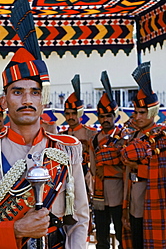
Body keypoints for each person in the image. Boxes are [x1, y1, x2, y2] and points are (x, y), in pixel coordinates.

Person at [0, 0, 89, 248]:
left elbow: (79, 221)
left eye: (35, 92)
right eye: (17, 92)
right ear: (4, 101)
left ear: (44, 100)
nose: (27, 100)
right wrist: (16, 229)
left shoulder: (67, 150)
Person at [120, 62, 166, 249]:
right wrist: (125, 207)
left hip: (156, 203)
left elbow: (128, 155)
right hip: (134, 204)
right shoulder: (133, 134)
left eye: (142, 112)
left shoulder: (163, 134)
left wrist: (138, 164)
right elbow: (126, 169)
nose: (137, 117)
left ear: (153, 112)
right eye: (136, 112)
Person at [60, 74, 96, 241]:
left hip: (85, 176)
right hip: (66, 179)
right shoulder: (62, 135)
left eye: (73, 113)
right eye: (67, 113)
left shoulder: (90, 134)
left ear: (79, 112)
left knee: (84, 213)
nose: (70, 117)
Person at [91, 71, 124, 249]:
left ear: (114, 117)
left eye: (108, 116)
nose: (105, 120)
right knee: (101, 237)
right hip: (100, 195)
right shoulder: (95, 140)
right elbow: (94, 168)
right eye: (102, 117)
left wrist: (109, 171)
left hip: (118, 193)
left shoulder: (123, 137)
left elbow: (126, 167)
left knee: (121, 234)